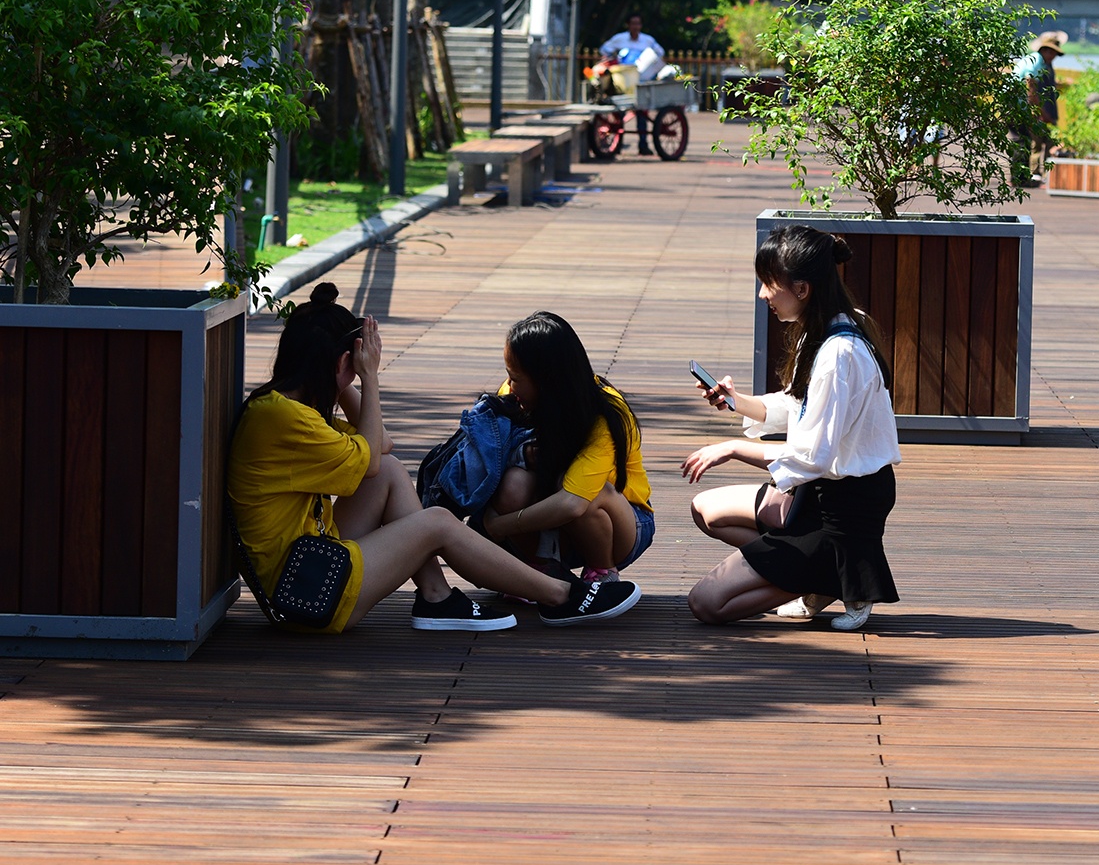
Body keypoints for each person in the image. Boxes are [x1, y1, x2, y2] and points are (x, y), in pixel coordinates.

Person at [228, 284, 641, 633]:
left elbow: (380, 449)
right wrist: (368, 378)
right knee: (437, 522)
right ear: (341, 363)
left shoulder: (282, 407)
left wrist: (341, 377)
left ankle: (435, 596)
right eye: (351, 367)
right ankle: (561, 596)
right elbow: (371, 454)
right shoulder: (288, 419)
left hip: (308, 570)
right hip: (309, 591)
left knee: (389, 471)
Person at [681, 225, 901, 631]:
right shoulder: (824, 327)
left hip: (843, 508)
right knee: (706, 511)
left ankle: (827, 574)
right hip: (816, 490)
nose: (763, 295)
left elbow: (810, 456)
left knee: (705, 604)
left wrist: (731, 448)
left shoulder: (840, 353)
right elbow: (795, 405)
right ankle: (808, 572)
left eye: (768, 284)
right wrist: (735, 401)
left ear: (801, 289)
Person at [479, 312, 655, 587]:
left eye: (515, 377)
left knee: (588, 490)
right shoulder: (515, 397)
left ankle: (602, 573)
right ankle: (542, 570)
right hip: (551, 527)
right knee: (514, 480)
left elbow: (574, 503)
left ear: (546, 380)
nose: (509, 387)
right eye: (508, 376)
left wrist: (499, 526)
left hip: (619, 525)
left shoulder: (605, 414)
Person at [1014, 30, 1067, 185]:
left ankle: (1032, 175)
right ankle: (1027, 176)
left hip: (1034, 109)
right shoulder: (1036, 61)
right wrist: (1040, 113)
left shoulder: (1045, 65)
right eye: (1052, 52)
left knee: (1036, 141)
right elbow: (1031, 86)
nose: (1054, 56)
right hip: (1025, 108)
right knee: (1030, 143)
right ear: (1045, 50)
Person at [598, 12, 666, 82]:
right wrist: (613, 57)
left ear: (641, 25)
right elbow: (604, 49)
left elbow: (660, 52)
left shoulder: (648, 40)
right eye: (633, 24)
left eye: (638, 24)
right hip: (623, 76)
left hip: (643, 77)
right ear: (628, 25)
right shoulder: (619, 38)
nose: (635, 27)